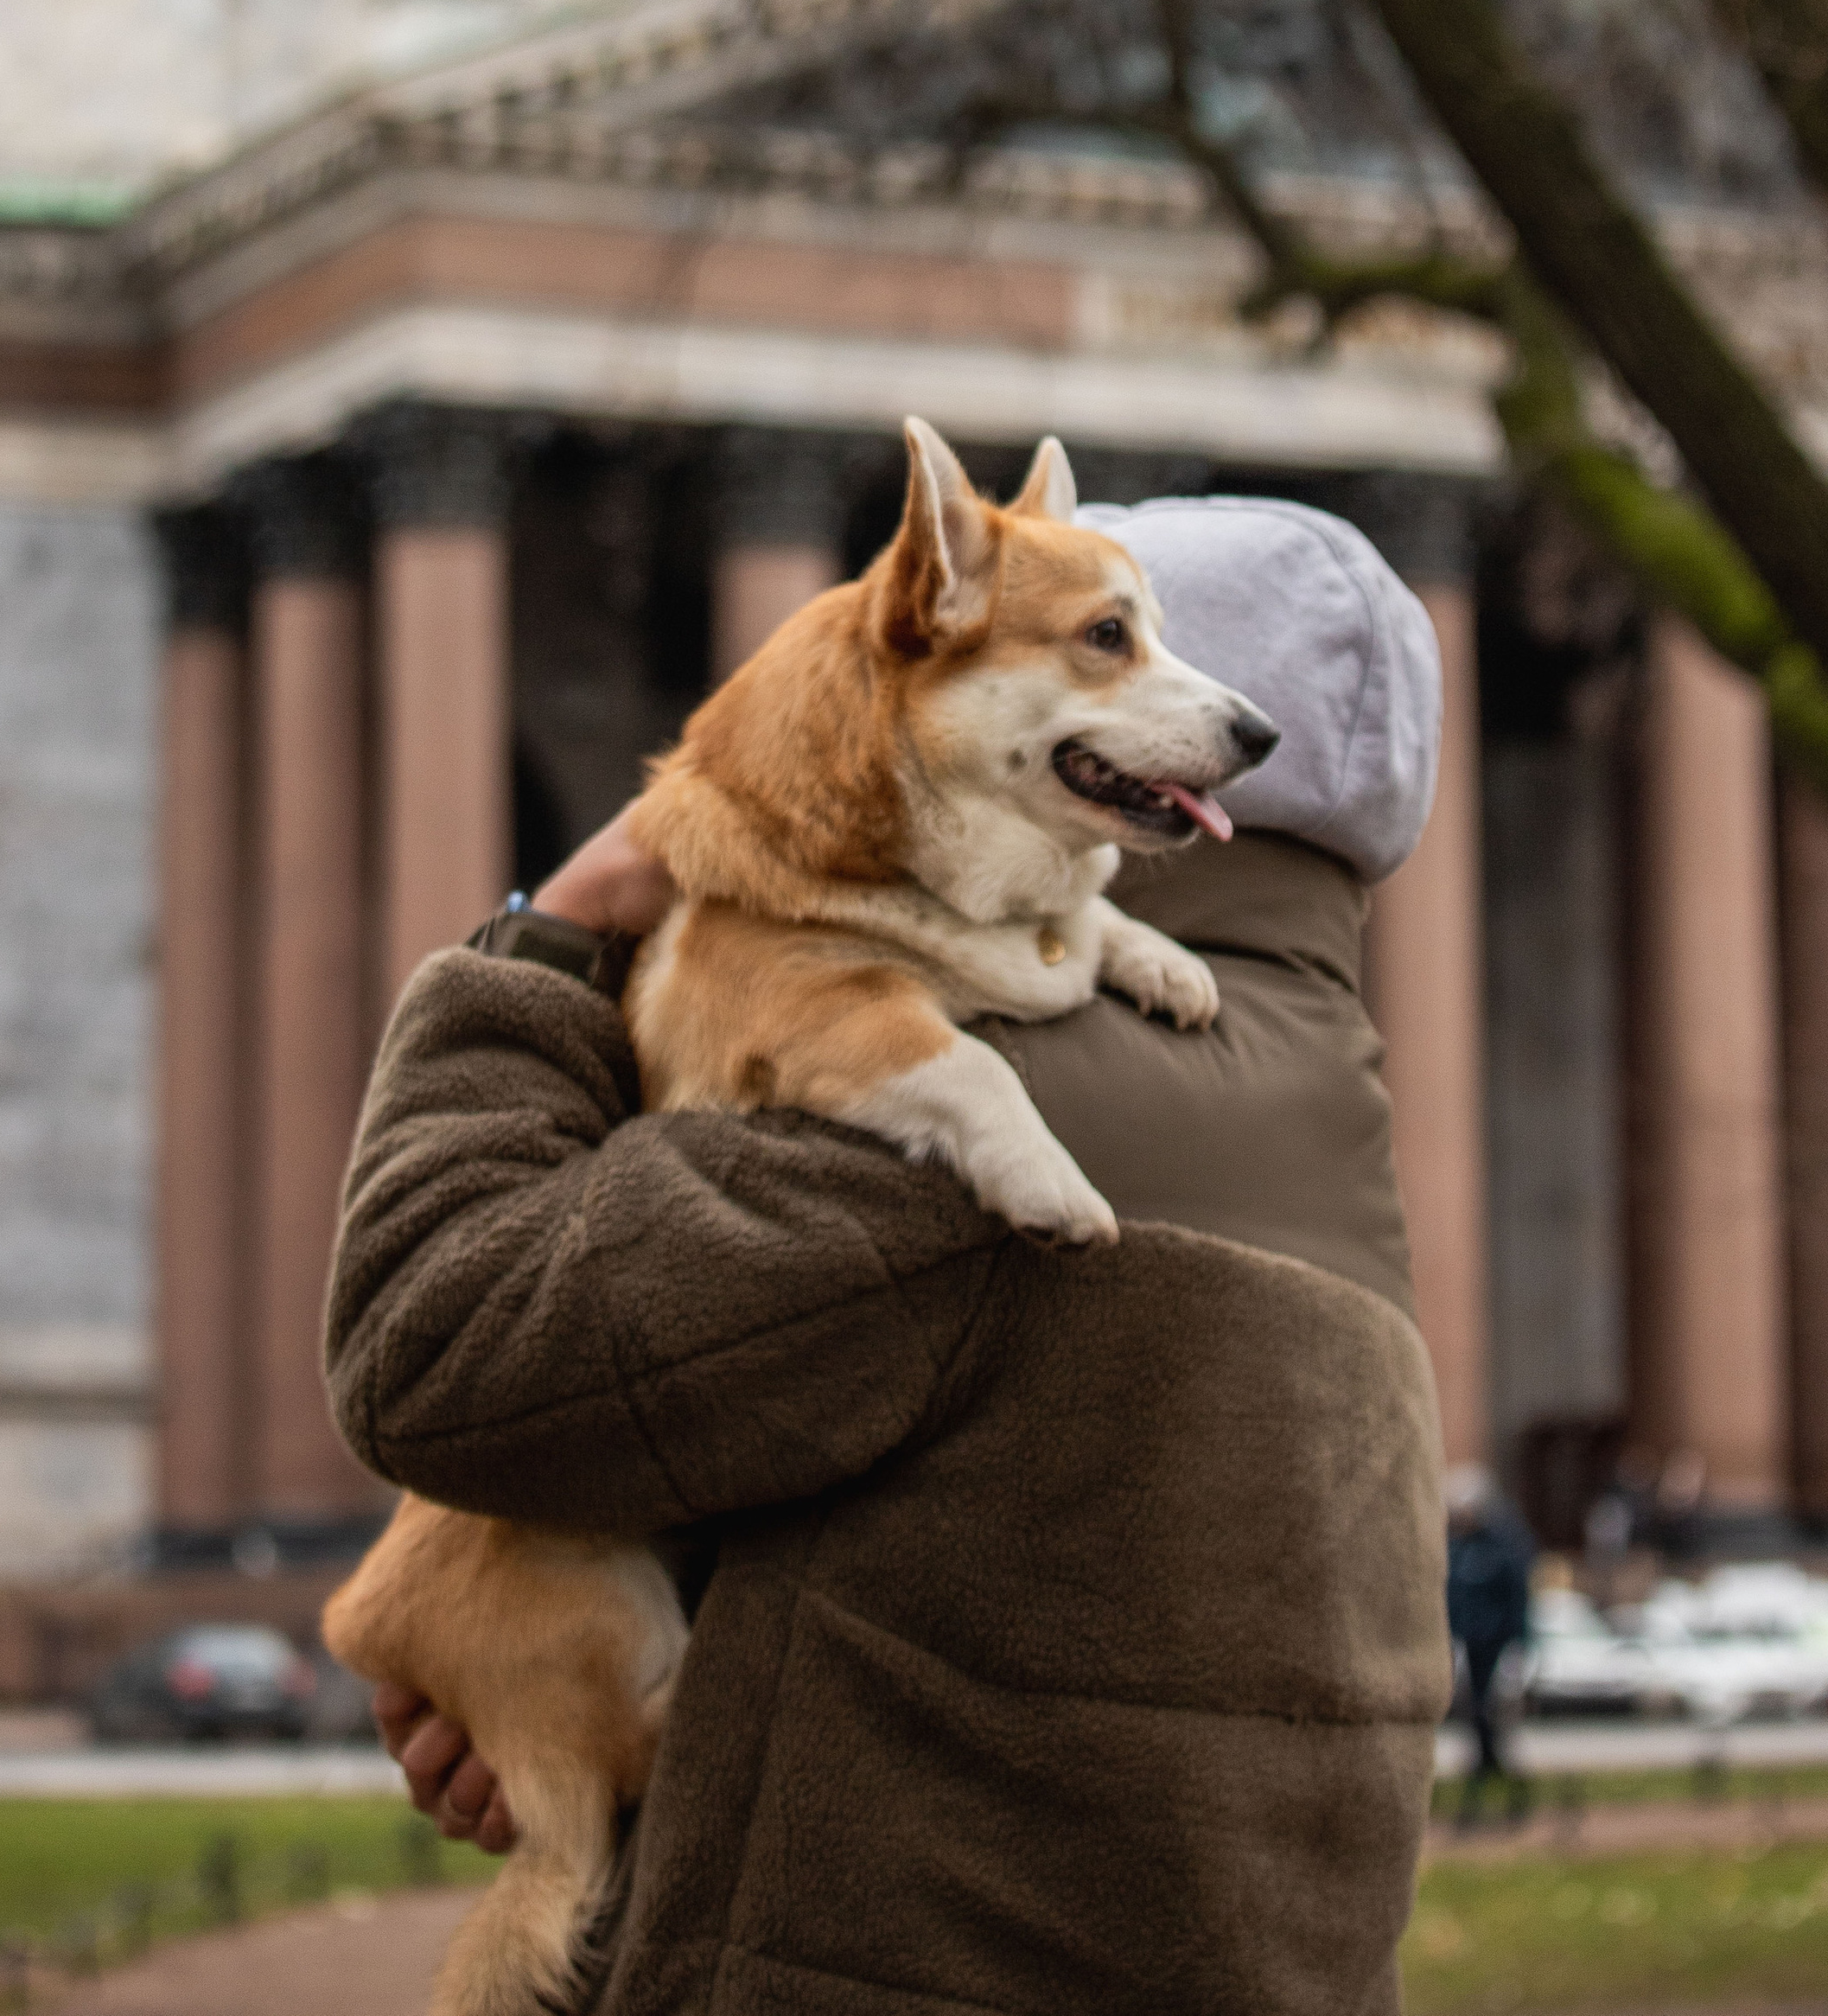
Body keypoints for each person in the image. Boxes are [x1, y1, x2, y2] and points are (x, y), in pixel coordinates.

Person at [329, 495, 1454, 2013]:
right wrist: (570, 1692)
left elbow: (432, 1347)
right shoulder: (1329, 1113)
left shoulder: (950, 1118)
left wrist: (562, 924)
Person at [1444, 1466, 1534, 1823]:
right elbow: (1453, 1600)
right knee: (1477, 1721)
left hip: (1500, 1649)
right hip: (1470, 1648)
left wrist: (1518, 1649)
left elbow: (1518, 1601)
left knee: (1493, 1722)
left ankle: (1501, 1794)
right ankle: (1498, 1791)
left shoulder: (1504, 1545)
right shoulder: (1458, 1546)